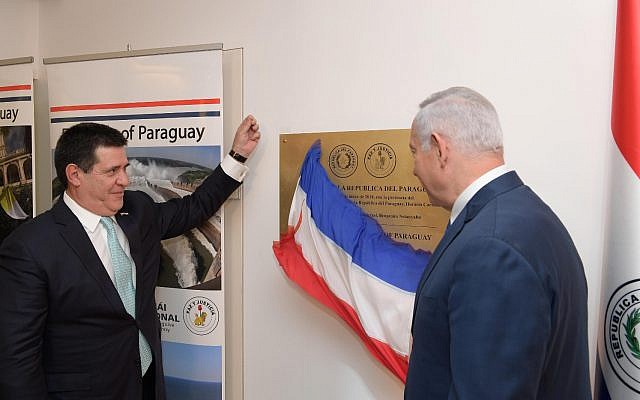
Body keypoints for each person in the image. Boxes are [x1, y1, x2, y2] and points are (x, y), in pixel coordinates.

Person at [0, 116, 260, 400]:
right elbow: (17, 359)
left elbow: (193, 208)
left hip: (145, 383)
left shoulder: (138, 210)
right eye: (112, 171)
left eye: (124, 168)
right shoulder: (30, 247)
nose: (124, 180)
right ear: (75, 175)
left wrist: (237, 156)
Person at [404, 87, 591, 399]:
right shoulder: (526, 215)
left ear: (439, 148)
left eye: (414, 152)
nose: (413, 169)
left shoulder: (491, 247)